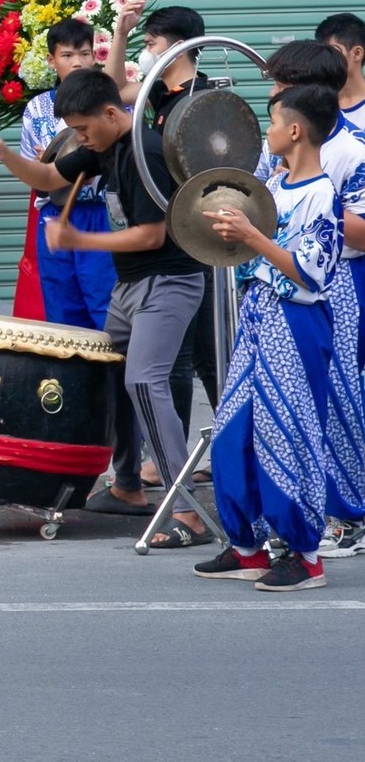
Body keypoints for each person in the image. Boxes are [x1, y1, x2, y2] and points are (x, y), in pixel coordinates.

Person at [0, 67, 211, 548]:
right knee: (110, 377)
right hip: (129, 288)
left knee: (145, 381)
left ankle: (186, 512)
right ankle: (127, 486)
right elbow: (46, 176)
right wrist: (5, 154)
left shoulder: (147, 150)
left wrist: (79, 238)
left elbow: (152, 234)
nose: (80, 139)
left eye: (83, 129)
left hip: (169, 281)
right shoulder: (104, 143)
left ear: (111, 113)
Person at [194, 85, 344, 592]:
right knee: (234, 432)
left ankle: (305, 556)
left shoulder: (323, 193)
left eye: (274, 122)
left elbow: (312, 273)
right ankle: (248, 547)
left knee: (291, 434)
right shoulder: (276, 185)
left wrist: (254, 238)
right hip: (260, 315)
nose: (269, 132)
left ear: (296, 131)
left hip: (297, 323)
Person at [260, 42, 365, 559]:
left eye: (280, 84)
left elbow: (363, 232)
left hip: (335, 283)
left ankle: (350, 515)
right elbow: (257, 195)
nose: (273, 94)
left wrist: (308, 210)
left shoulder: (350, 150)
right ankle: (302, 506)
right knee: (297, 403)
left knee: (341, 395)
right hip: (274, 285)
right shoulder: (279, 142)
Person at [108, 0, 218, 445]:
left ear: (177, 45)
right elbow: (115, 92)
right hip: (172, 242)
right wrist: (120, 33)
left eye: (150, 42)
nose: (146, 50)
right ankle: (168, 457)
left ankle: (224, 452)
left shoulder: (204, 98)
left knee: (203, 356)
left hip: (198, 241)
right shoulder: (158, 91)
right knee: (179, 358)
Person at [14, 19, 115, 330]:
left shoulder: (111, 104)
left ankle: (113, 377)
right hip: (55, 216)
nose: (77, 63)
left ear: (96, 56)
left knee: (105, 305)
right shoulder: (37, 109)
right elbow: (32, 174)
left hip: (99, 215)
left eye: (84, 54)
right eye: (67, 55)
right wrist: (41, 166)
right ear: (51, 60)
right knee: (61, 311)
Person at [315, 12, 365, 136]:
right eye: (322, 52)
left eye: (333, 51)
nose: (325, 59)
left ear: (357, 53)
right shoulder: (315, 105)